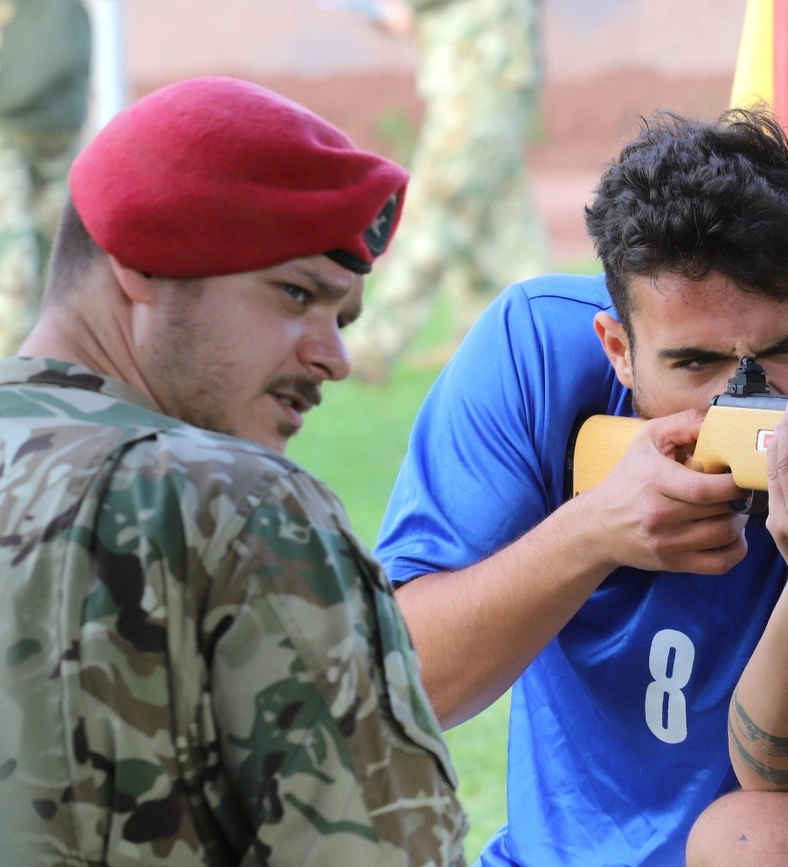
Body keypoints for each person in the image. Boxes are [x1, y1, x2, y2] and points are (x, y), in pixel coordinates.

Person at [377, 108, 788, 867]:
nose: (745, 398)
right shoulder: (532, 357)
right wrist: (590, 533)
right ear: (619, 349)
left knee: (756, 841)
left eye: (785, 351)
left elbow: (780, 771)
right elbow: (404, 688)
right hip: (554, 852)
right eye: (696, 363)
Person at [0, 76, 468, 865]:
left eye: (343, 318)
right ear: (144, 257)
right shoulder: (239, 507)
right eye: (294, 295)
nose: (336, 358)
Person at [342, 0, 549, 383]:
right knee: (500, 221)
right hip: (493, 67)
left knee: (438, 204)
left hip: (477, 72)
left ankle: (373, 346)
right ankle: (502, 342)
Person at [0, 0, 91, 355]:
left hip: (49, 136)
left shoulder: (57, 10)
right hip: (15, 136)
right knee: (17, 267)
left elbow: (64, 55)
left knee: (52, 265)